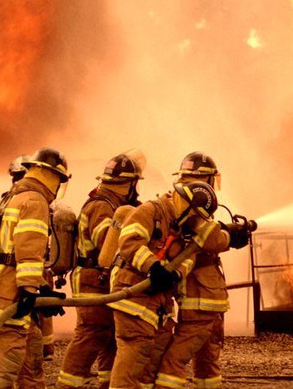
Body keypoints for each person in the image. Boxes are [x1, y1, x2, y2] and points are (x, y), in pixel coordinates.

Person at [107, 171, 220, 389]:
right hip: (133, 298)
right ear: (185, 202)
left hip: (158, 305)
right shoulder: (151, 211)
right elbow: (129, 241)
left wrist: (175, 275)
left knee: (153, 359)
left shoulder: (178, 225)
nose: (193, 220)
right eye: (194, 214)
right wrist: (153, 267)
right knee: (133, 357)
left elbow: (188, 257)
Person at [0, 147, 69, 389]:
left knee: (29, 358)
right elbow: (28, 249)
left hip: (3, 288)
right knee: (0, 368)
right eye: (59, 179)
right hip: (9, 294)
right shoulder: (35, 202)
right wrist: (28, 289)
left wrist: (42, 289)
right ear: (50, 175)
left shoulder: (18, 197)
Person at [152, 152, 251, 389]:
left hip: (208, 297)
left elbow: (204, 233)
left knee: (208, 357)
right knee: (179, 356)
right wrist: (231, 235)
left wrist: (225, 231)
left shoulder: (185, 199)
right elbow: (209, 240)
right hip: (199, 296)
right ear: (205, 178)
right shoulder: (191, 201)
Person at [57, 151, 146, 389]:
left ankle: (107, 383)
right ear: (130, 183)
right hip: (91, 280)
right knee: (91, 333)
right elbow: (107, 241)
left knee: (110, 336)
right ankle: (68, 384)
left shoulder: (113, 203)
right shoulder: (101, 206)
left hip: (101, 279)